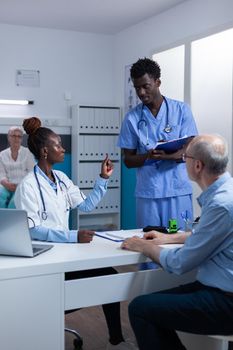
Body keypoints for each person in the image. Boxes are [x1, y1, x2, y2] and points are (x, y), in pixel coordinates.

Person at [14, 116, 136, 350]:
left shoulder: (61, 179)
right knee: (90, 284)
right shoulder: (27, 186)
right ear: (44, 151)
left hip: (66, 256)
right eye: (58, 145)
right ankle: (44, 316)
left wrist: (103, 179)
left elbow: (86, 205)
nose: (64, 149)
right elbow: (32, 230)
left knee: (108, 274)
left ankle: (116, 340)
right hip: (44, 260)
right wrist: (72, 236)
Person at [121, 134, 233, 350]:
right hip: (220, 289)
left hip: (226, 302)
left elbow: (180, 263)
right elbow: (211, 236)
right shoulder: (226, 194)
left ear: (197, 165)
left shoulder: (221, 205)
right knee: (154, 304)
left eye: (185, 157)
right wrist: (170, 237)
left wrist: (145, 246)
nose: (183, 161)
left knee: (140, 308)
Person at [118, 58, 198, 231]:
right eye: (137, 87)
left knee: (179, 239)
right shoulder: (132, 118)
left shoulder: (181, 110)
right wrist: (148, 156)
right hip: (149, 194)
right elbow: (128, 160)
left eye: (146, 86)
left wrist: (168, 155)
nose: (141, 92)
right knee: (149, 242)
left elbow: (191, 147)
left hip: (177, 191)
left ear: (157, 82)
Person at [0, 126, 35, 208]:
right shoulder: (2, 154)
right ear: (9, 138)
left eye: (19, 136)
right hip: (7, 185)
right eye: (14, 136)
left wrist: (21, 185)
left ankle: (10, 220)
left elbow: (32, 173)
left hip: (22, 185)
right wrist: (6, 184)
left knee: (14, 202)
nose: (16, 138)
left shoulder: (27, 153)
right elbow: (1, 174)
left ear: (21, 139)